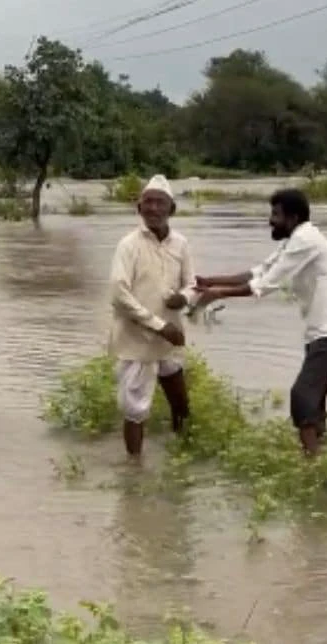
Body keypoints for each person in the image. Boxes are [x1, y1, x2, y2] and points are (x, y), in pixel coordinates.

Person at [193, 188, 327, 456]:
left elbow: (266, 284)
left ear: (292, 218)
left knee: (302, 396)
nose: (270, 220)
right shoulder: (294, 239)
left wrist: (218, 294)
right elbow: (259, 271)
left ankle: (312, 463)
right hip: (323, 328)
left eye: (275, 215)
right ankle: (323, 449)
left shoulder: (305, 241)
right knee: (316, 395)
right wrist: (212, 281)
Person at [107, 174, 195, 458]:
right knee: (136, 411)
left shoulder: (180, 244)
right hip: (137, 341)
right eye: (148, 203)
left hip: (169, 338)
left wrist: (185, 297)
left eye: (160, 203)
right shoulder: (128, 245)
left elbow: (192, 283)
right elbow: (119, 296)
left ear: (172, 209)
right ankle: (135, 473)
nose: (154, 209)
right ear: (139, 208)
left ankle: (183, 456)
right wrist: (159, 326)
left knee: (181, 403)